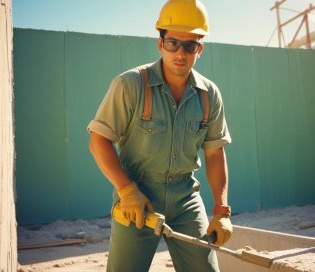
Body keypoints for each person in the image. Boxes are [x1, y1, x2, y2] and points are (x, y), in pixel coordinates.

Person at [87, 0, 232, 271]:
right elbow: (99, 141)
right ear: (160, 43)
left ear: (199, 49)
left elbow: (214, 152)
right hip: (138, 195)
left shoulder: (209, 95)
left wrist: (222, 210)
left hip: (186, 196)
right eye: (172, 43)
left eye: (190, 46)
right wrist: (127, 190)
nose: (180, 52)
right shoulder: (130, 85)